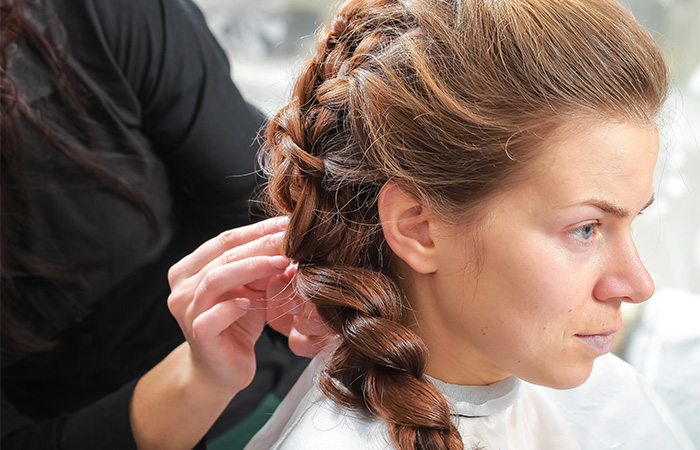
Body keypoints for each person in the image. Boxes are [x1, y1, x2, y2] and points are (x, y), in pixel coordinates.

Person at [244, 0, 697, 448]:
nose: (638, 285)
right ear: (417, 228)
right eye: (585, 229)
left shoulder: (607, 399)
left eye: (631, 221)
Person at [0, 0, 323, 448]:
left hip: (271, 370)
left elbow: (253, 187)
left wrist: (306, 280)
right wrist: (200, 378)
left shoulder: (96, 15)